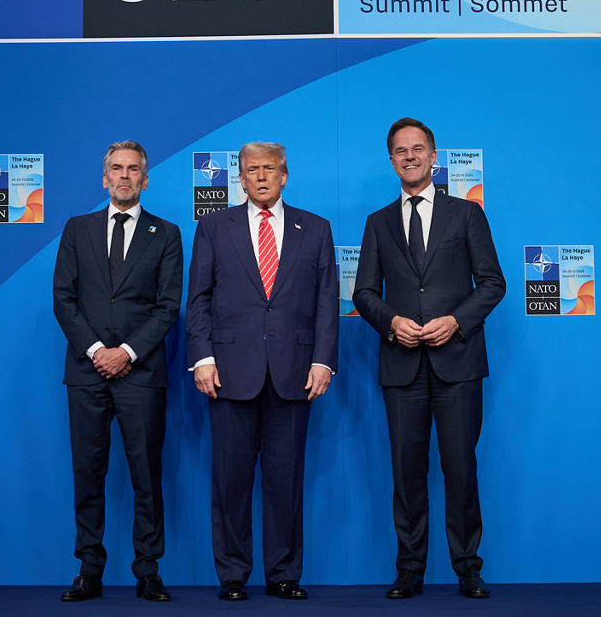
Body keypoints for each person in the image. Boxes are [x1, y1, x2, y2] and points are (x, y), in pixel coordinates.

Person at [353, 118, 506, 600]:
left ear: (434, 157)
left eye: (418, 149)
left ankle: (468, 569)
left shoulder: (467, 214)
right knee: (406, 473)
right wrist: (391, 322)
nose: (410, 156)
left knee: (460, 469)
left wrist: (456, 321)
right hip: (402, 366)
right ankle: (409, 570)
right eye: (401, 151)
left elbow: (493, 283)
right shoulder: (378, 222)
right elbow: (363, 292)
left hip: (457, 362)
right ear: (391, 160)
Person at [186, 141, 338, 601]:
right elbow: (199, 299)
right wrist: (203, 358)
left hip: (294, 373)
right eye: (251, 170)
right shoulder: (214, 227)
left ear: (284, 175)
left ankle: (284, 574)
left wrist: (323, 360)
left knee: (285, 480)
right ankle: (233, 574)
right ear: (240, 178)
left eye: (269, 169)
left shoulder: (315, 228)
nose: (261, 176)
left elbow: (326, 301)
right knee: (230, 481)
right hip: (229, 373)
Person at [52, 141, 183, 603]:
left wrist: (126, 352)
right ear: (104, 177)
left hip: (140, 373)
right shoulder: (77, 229)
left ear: (145, 179)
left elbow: (168, 307)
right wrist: (96, 351)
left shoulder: (166, 234)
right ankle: (88, 570)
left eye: (132, 169)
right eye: (116, 168)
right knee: (88, 473)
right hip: (86, 372)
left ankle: (148, 570)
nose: (124, 175)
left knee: (146, 474)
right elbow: (63, 299)